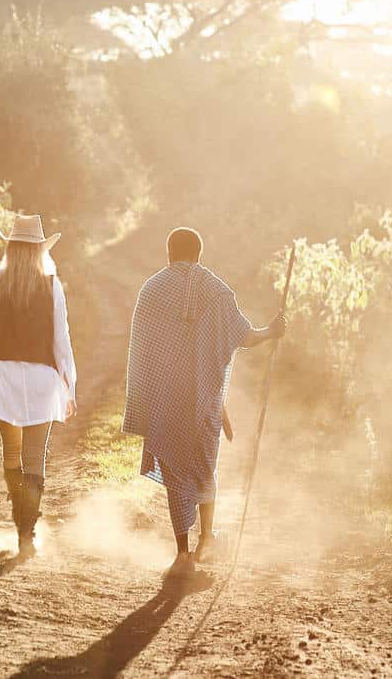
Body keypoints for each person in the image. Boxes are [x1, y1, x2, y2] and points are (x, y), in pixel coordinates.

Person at [122, 227, 286, 577]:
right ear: (199, 254)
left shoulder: (151, 291)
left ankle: (183, 552)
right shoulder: (217, 291)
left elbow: (141, 354)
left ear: (169, 254)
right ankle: (207, 539)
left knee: (176, 474)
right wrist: (272, 331)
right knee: (203, 467)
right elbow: (244, 337)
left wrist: (142, 404)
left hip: (164, 400)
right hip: (204, 401)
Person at [0, 214, 77, 556]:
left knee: (12, 454)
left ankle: (20, 519)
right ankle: (26, 534)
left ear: (10, 247)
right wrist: (70, 385)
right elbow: (62, 340)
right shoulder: (52, 285)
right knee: (34, 457)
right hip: (42, 378)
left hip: (2, 376)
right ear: (41, 249)